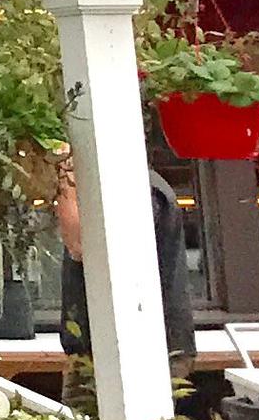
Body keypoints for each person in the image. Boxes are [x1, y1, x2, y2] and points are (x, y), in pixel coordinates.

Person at [54, 155, 198, 370]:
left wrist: (66, 184)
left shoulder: (136, 189)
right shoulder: (125, 186)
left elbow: (81, 246)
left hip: (139, 353)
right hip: (110, 347)